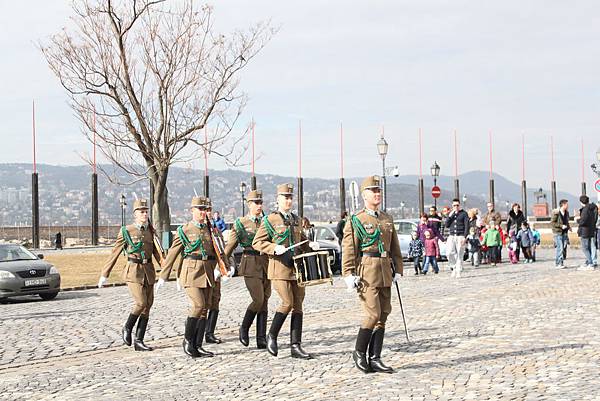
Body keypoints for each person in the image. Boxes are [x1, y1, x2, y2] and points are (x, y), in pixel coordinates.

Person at [156, 196, 232, 358]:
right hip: (191, 272)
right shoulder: (185, 230)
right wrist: (163, 276)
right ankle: (188, 340)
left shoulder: (211, 229)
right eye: (200, 209)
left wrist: (225, 267)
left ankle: (198, 345)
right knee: (198, 305)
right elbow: (172, 254)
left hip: (208, 271)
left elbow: (220, 250)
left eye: (205, 209)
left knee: (204, 309)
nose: (203, 212)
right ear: (192, 211)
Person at [341, 175, 403, 373]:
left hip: (385, 268)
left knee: (384, 313)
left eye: (379, 191)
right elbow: (349, 249)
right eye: (373, 191)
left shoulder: (386, 218)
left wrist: (398, 269)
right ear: (364, 195)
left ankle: (375, 357)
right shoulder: (356, 220)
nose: (377, 194)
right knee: (372, 313)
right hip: (367, 270)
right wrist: (348, 273)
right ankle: (359, 351)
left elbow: (395, 247)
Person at [252, 183, 320, 359]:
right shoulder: (270, 220)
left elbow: (302, 241)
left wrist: (310, 245)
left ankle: (295, 345)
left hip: (297, 268)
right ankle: (272, 335)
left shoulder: (296, 220)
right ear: (278, 200)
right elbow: (257, 242)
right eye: (285, 198)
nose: (288, 201)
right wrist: (274, 247)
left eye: (290, 198)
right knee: (287, 302)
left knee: (298, 305)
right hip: (279, 268)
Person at [98, 199, 163, 352]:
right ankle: (127, 327)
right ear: (135, 214)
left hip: (148, 270)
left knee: (147, 307)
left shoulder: (150, 231)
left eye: (146, 211)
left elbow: (157, 253)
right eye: (142, 212)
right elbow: (115, 252)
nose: (145, 214)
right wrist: (104, 274)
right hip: (133, 271)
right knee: (141, 303)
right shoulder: (127, 231)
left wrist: (166, 272)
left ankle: (139, 340)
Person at [224, 189, 270, 349]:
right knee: (258, 299)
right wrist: (222, 264)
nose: (259, 205)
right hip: (250, 262)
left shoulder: (267, 221)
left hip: (266, 263)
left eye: (261, 202)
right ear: (249, 204)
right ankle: (244, 327)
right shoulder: (241, 223)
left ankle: (261, 338)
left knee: (265, 301)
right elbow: (230, 245)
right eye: (256, 203)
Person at [204, 200, 233, 345]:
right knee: (202, 304)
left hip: (217, 271)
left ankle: (210, 332)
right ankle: (196, 331)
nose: (207, 212)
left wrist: (229, 266)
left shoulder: (215, 231)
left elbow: (223, 251)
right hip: (203, 272)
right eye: (205, 209)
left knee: (215, 301)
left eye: (209, 209)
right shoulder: (197, 230)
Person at [445, 198, 469, 278]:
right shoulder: (451, 214)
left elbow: (467, 226)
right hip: (452, 236)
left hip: (460, 236)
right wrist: (450, 215)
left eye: (457, 205)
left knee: (460, 254)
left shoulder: (464, 213)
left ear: (459, 205)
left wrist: (465, 237)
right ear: (452, 206)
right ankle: (454, 267)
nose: (456, 207)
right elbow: (447, 225)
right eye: (454, 205)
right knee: (449, 253)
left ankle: (458, 271)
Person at [576, 195, 598, 270]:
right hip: (591, 230)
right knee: (588, 247)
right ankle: (589, 262)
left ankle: (590, 263)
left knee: (585, 248)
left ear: (581, 202)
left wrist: (577, 220)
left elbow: (583, 220)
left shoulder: (585, 209)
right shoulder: (593, 208)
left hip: (585, 231)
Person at [550, 199, 570, 269]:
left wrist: (569, 227)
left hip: (564, 232)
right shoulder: (556, 212)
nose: (568, 206)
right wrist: (561, 226)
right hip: (557, 232)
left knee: (563, 247)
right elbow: (552, 223)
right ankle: (558, 263)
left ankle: (561, 262)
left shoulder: (567, 213)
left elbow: (567, 221)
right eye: (567, 204)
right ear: (563, 205)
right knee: (560, 247)